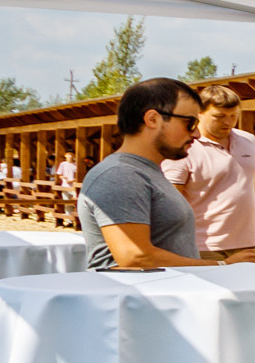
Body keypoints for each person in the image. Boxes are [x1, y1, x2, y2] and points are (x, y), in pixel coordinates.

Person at [77, 78, 218, 271]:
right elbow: (135, 257)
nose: (197, 134)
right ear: (152, 119)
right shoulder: (120, 175)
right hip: (138, 299)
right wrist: (221, 265)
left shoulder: (142, 171)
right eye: (190, 123)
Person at [160, 83, 255, 264]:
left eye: (234, 116)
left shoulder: (248, 140)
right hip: (203, 247)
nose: (228, 122)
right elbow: (170, 202)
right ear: (199, 113)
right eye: (219, 116)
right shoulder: (183, 147)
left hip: (249, 244)